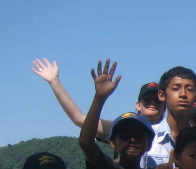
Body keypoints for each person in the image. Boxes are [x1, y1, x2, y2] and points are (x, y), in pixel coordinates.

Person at [31, 57, 165, 142]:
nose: (152, 102)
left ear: (165, 104)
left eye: (157, 99)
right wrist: (55, 82)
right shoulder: (120, 127)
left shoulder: (175, 131)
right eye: (147, 99)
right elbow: (78, 119)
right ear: (138, 105)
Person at [141, 66, 196, 169]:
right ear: (162, 95)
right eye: (176, 89)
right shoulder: (147, 135)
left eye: (189, 89)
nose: (183, 94)